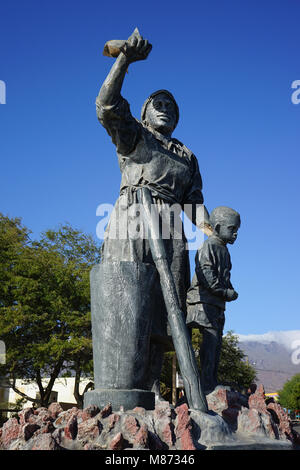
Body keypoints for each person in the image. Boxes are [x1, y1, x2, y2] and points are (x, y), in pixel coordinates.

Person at [95, 29, 210, 398]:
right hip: (133, 215)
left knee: (167, 303)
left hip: (172, 226)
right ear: (144, 114)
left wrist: (212, 233)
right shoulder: (135, 136)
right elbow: (106, 105)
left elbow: (195, 202)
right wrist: (124, 60)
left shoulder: (187, 156)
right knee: (128, 292)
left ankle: (151, 387)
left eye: (172, 106)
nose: (166, 108)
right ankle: (118, 386)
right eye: (158, 103)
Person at [186, 206, 240, 394]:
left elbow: (224, 276)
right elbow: (205, 274)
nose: (235, 234)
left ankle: (211, 380)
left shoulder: (224, 251)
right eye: (232, 229)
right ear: (217, 227)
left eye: (237, 230)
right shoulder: (208, 246)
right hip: (202, 303)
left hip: (217, 304)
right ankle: (207, 383)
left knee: (216, 344)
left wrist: (229, 289)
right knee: (210, 342)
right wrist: (224, 292)